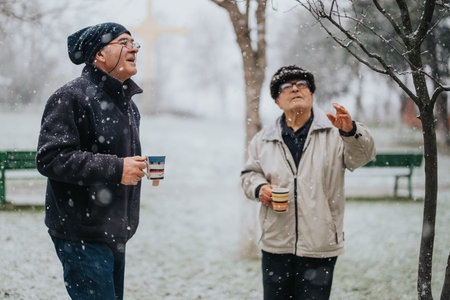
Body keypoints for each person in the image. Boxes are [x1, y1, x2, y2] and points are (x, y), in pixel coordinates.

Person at [240, 65, 376, 299]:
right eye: (287, 86)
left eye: (302, 85)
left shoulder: (336, 133)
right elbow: (249, 174)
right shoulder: (263, 139)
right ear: (277, 101)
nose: (295, 88)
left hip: (320, 245)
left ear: (312, 95)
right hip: (276, 243)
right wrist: (260, 187)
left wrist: (351, 131)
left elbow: (363, 156)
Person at [36, 22, 147, 300]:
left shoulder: (128, 105)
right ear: (99, 54)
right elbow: (51, 157)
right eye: (123, 42)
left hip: (114, 232)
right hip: (81, 234)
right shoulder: (70, 97)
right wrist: (118, 168)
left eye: (134, 43)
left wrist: (133, 168)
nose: (133, 48)